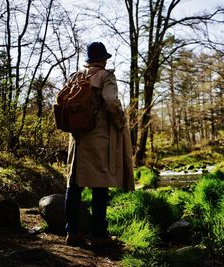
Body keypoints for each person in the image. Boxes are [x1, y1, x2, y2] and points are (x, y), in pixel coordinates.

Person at [64, 41, 134, 247]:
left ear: (88, 60)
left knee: (74, 185)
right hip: (99, 138)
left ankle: (72, 233)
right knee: (100, 185)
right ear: (103, 59)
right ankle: (99, 235)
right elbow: (110, 100)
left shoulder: (76, 77)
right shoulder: (106, 76)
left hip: (77, 139)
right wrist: (121, 120)